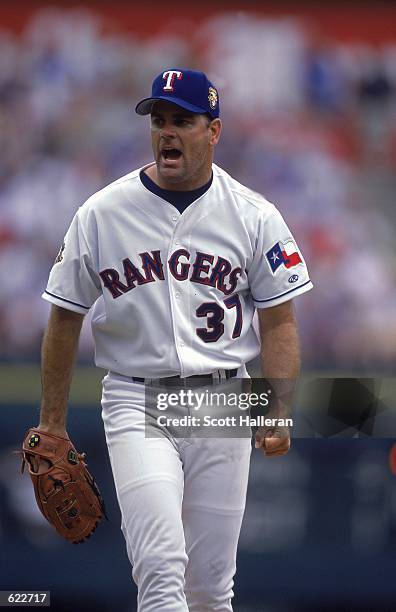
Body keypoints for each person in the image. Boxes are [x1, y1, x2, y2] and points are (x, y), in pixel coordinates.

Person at [38, 68, 313, 611]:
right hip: (137, 398)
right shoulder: (101, 213)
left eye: (182, 121)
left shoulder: (255, 215)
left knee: (211, 590)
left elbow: (279, 320)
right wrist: (51, 422)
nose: (167, 132)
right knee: (161, 572)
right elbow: (64, 318)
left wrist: (278, 406)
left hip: (224, 399)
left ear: (213, 131)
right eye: (159, 120)